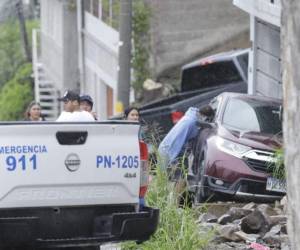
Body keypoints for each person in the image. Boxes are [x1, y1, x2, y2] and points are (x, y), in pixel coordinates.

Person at [158, 105, 215, 170]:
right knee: (170, 176)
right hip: (169, 151)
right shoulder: (190, 122)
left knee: (183, 171)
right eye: (207, 119)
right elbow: (176, 140)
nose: (206, 121)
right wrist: (173, 160)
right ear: (204, 116)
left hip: (171, 150)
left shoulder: (191, 117)